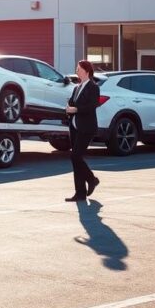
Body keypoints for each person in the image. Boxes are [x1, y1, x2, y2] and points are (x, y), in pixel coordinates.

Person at [65, 60, 102, 202]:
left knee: (75, 156)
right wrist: (68, 109)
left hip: (87, 128)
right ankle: (80, 193)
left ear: (87, 71)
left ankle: (91, 179)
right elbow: (72, 104)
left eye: (79, 69)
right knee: (76, 159)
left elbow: (93, 105)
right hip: (74, 127)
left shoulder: (93, 87)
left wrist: (77, 109)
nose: (76, 71)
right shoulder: (77, 87)